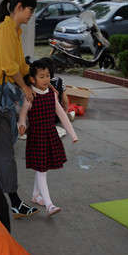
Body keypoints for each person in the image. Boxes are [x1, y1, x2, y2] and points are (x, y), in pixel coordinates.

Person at [0, 0, 39, 219]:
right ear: (18, 7)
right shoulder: (6, 29)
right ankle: (14, 202)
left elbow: (21, 67)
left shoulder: (14, 31)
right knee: (4, 151)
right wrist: (25, 87)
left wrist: (37, 80)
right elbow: (8, 66)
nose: (31, 15)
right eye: (30, 10)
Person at [17, 59, 78, 217]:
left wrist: (73, 134)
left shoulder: (52, 93)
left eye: (48, 76)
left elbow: (62, 115)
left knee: (42, 169)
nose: (45, 79)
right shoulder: (30, 95)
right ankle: (49, 204)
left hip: (50, 135)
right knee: (42, 170)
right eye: (42, 76)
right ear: (32, 79)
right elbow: (23, 113)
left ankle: (36, 196)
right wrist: (21, 125)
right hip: (37, 137)